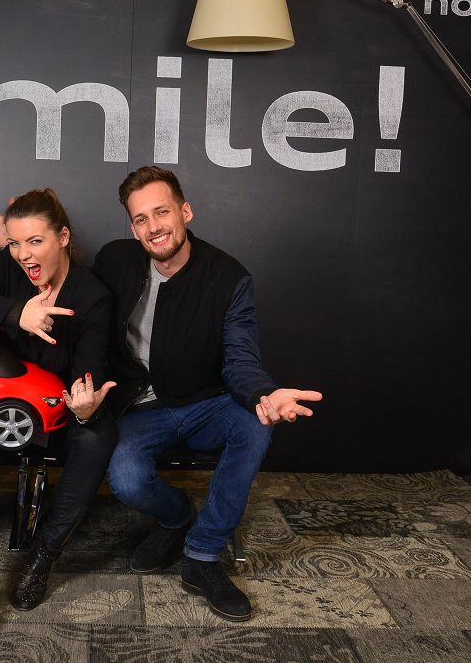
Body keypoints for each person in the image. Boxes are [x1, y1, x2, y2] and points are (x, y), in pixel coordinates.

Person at [92, 165, 322, 622]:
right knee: (128, 480)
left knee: (255, 425)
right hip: (140, 406)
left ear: (186, 212)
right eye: (141, 219)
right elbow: (68, 284)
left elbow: (240, 358)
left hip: (205, 402)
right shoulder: (114, 260)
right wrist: (9, 244)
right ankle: (176, 517)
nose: (154, 227)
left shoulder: (228, 277)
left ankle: (202, 555)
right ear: (133, 228)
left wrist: (263, 394)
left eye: (162, 212)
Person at [0, 189, 116, 653]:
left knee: (98, 436)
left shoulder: (93, 295)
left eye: (35, 241)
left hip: (61, 412)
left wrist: (84, 401)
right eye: (15, 243)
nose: (24, 254)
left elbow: (89, 367)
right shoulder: (11, 268)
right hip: (10, 410)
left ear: (63, 237)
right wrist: (15, 312)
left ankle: (43, 557)